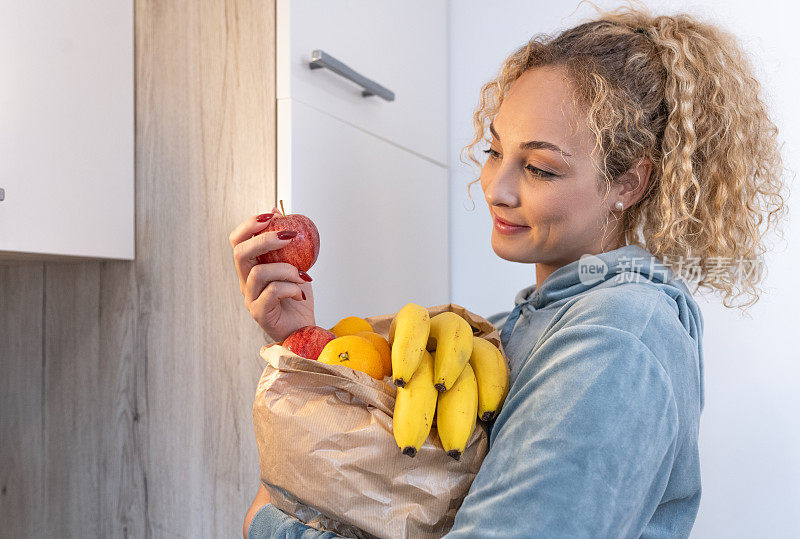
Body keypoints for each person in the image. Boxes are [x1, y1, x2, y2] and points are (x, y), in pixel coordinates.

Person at [231, 3, 788, 538]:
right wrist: (303, 342)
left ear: (629, 183)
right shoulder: (518, 326)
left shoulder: (615, 340)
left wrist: (273, 522)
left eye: (540, 168)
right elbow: (410, 482)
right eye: (495, 151)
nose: (495, 189)